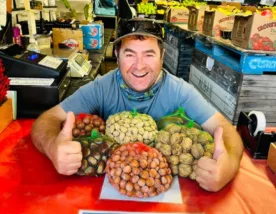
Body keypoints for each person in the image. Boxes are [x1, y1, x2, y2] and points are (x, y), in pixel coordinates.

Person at [31, 18, 243, 192]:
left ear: (162, 56)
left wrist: (228, 166)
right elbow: (47, 120)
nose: (139, 65)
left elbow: (223, 128)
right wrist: (52, 147)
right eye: (129, 54)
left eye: (149, 54)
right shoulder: (101, 88)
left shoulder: (180, 91)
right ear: (116, 55)